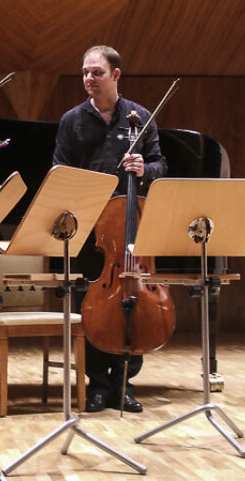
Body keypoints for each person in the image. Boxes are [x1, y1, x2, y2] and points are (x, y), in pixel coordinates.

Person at [52, 45, 167, 413]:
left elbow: (160, 163)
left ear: (115, 75)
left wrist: (143, 171)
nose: (89, 79)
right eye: (85, 73)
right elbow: (60, 169)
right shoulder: (72, 120)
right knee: (95, 303)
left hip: (131, 225)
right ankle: (98, 384)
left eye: (96, 73)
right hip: (90, 229)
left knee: (132, 302)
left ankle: (124, 383)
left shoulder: (140, 117)